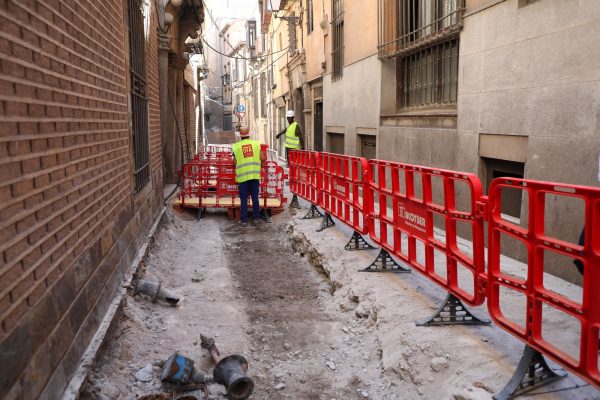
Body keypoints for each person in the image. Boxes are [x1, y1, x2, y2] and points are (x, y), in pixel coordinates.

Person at [232, 127, 266, 226]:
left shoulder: (236, 146)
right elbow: (262, 157)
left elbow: (235, 162)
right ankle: (256, 218)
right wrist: (261, 164)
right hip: (254, 175)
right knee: (255, 197)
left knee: (243, 199)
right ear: (249, 134)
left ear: (240, 136)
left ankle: (244, 220)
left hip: (242, 177)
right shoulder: (256, 144)